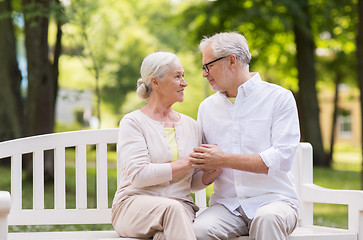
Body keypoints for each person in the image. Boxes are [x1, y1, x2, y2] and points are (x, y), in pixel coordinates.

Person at [190, 32, 301, 240]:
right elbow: (202, 168)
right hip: (227, 206)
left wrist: (224, 159)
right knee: (198, 231)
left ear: (232, 60)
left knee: (266, 219)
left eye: (208, 66)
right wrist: (208, 170)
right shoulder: (207, 108)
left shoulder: (279, 98)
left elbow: (282, 159)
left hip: (275, 201)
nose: (204, 74)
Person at [111, 52, 205, 240]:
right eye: (177, 76)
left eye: (183, 76)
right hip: (133, 208)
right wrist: (188, 163)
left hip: (179, 211)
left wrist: (212, 171)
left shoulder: (191, 126)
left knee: (165, 235)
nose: (184, 83)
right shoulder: (133, 122)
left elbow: (191, 182)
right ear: (155, 82)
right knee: (173, 210)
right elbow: (139, 175)